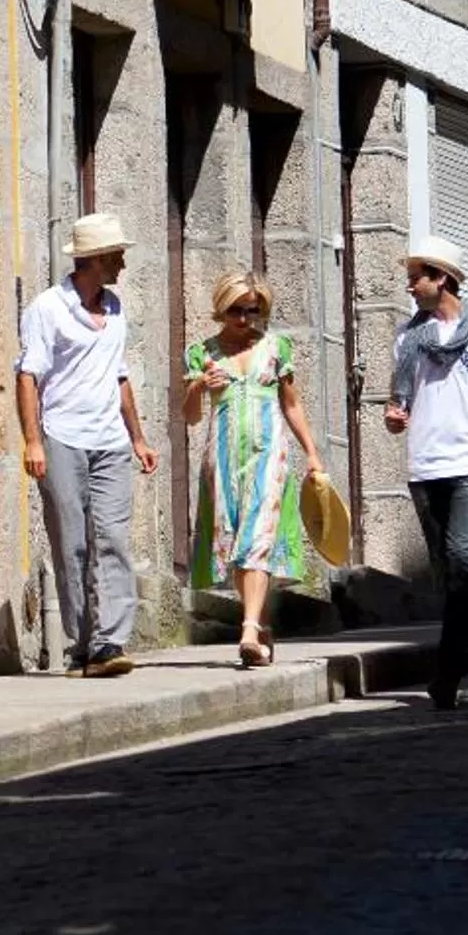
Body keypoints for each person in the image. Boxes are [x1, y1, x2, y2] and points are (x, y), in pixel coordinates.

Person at [16, 211, 158, 678]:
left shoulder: (115, 308)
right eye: (116, 254)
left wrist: (137, 437)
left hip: (110, 442)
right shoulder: (47, 308)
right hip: (62, 438)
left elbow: (119, 376)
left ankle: (108, 642)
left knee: (113, 538)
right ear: (94, 258)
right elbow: (28, 376)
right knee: (72, 542)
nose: (122, 262)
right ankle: (83, 644)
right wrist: (33, 441)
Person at [384, 235, 468, 710]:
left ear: (441, 278)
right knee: (453, 576)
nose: (410, 287)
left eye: (416, 277)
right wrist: (393, 417)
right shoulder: (408, 337)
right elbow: (396, 406)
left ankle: (447, 671)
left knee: (463, 558)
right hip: (426, 464)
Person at [183, 270, 329, 669]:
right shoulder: (203, 353)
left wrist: (313, 454)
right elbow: (190, 416)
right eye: (236, 311)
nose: (245, 319)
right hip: (224, 454)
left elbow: (291, 404)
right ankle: (261, 624)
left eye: (253, 310)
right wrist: (199, 387)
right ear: (221, 309)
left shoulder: (276, 347)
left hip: (270, 451)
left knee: (257, 535)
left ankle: (247, 628)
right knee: (233, 540)